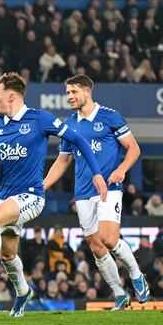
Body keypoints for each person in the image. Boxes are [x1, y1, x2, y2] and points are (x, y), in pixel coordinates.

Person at [0, 72, 107, 317]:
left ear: (11, 96)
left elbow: (78, 140)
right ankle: (23, 292)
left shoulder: (39, 119)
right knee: (8, 254)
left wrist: (96, 173)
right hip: (6, 198)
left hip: (32, 196)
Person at [43, 75, 149, 309]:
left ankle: (136, 275)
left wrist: (122, 169)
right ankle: (119, 293)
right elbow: (63, 161)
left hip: (109, 187)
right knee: (96, 246)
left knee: (109, 239)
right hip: (82, 192)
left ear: (87, 92)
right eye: (67, 92)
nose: (69, 96)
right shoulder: (69, 124)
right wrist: (43, 186)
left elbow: (133, 148)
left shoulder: (109, 116)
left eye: (73, 92)